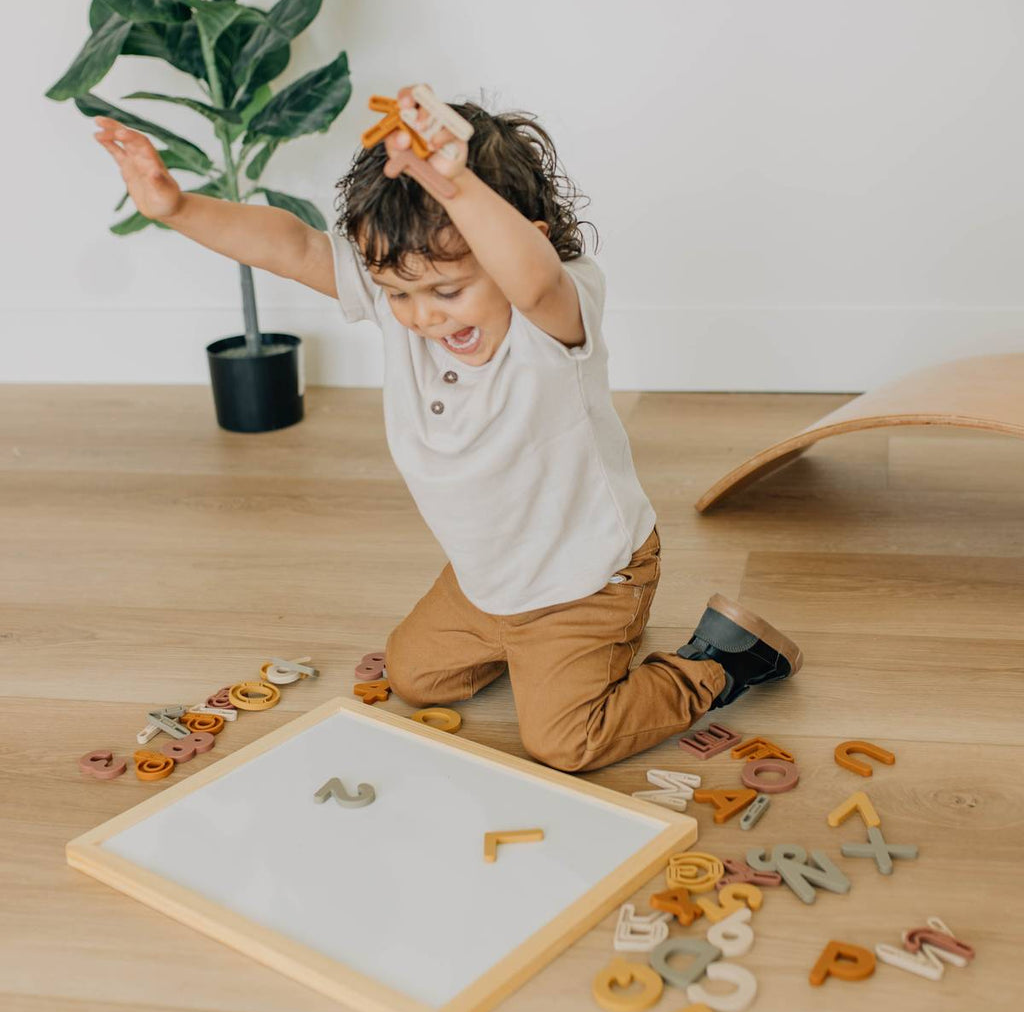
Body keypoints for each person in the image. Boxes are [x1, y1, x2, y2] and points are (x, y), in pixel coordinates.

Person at [94, 87, 802, 772]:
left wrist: (456, 183)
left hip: (588, 581)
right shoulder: (406, 295)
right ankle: (556, 656)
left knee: (564, 744)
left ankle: (717, 663)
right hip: (485, 581)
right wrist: (178, 207)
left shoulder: (549, 313)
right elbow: (298, 247)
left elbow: (529, 280)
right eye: (399, 293)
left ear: (526, 243)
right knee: (415, 677)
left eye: (448, 291)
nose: (423, 316)